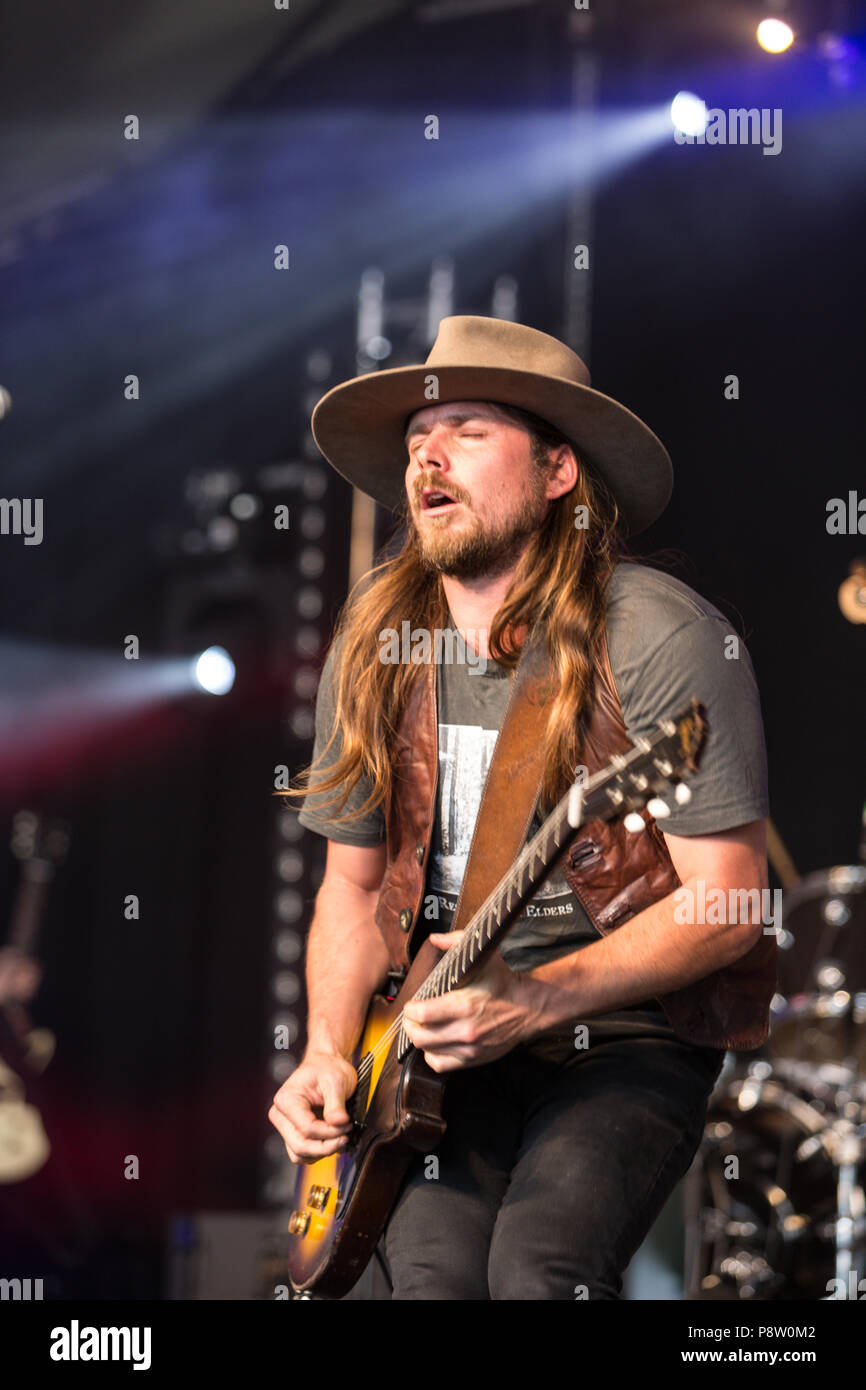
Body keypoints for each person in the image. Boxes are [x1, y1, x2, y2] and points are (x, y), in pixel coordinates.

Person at [267, 315, 777, 1300]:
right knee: (431, 1280)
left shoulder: (656, 635)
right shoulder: (374, 645)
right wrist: (327, 1049)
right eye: (417, 437)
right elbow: (351, 887)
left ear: (556, 474)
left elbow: (727, 899)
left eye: (468, 428)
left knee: (538, 1271)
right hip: (431, 1035)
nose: (428, 452)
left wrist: (537, 999)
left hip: (624, 1033)